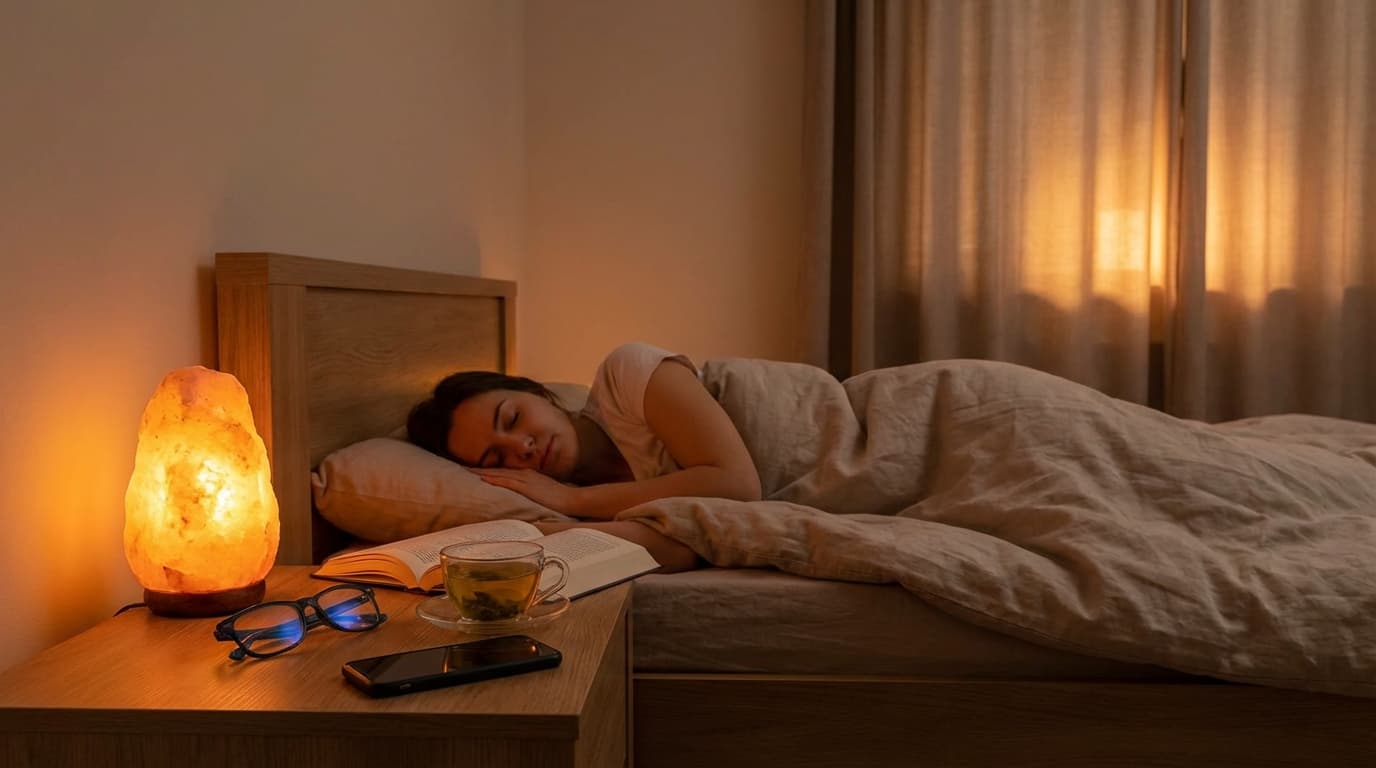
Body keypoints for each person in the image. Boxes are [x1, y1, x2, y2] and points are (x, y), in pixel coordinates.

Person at [408, 342, 760, 573]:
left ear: (537, 391)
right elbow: (680, 549)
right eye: (496, 458)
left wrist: (576, 499)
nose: (522, 447)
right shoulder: (568, 499)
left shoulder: (627, 374)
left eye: (513, 418)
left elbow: (737, 484)